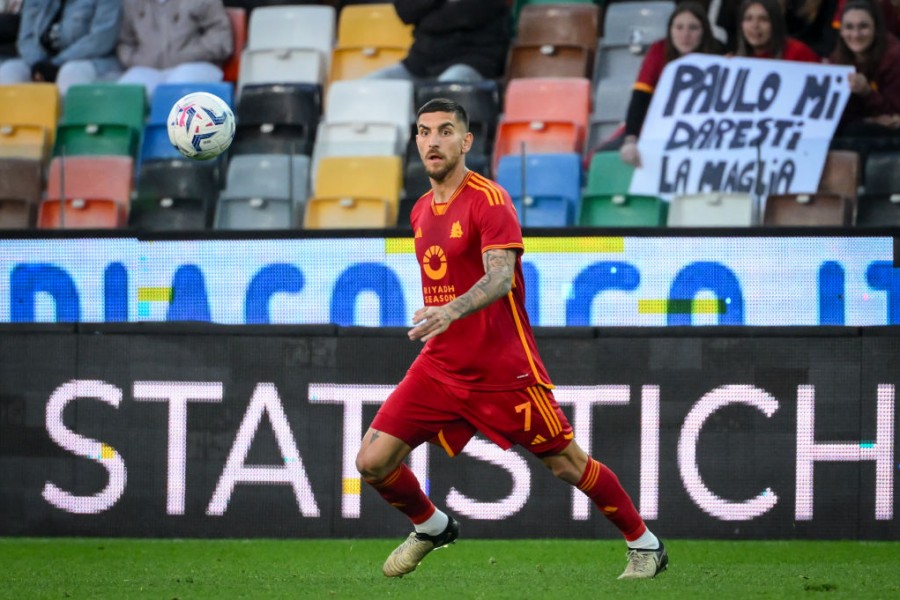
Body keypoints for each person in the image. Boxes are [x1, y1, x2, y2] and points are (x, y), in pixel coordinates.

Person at [354, 97, 668, 581]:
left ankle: (644, 544)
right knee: (372, 462)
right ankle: (432, 526)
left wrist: (450, 310)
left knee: (566, 464)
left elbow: (501, 278)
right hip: (440, 367)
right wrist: (445, 322)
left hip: (503, 370)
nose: (432, 141)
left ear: (466, 141)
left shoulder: (489, 199)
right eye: (423, 132)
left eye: (443, 131)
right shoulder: (419, 211)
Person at [620, 1, 720, 167]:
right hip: (657, 130)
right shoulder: (658, 50)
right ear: (670, 30)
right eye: (679, 28)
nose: (685, 35)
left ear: (704, 31)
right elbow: (640, 98)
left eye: (693, 28)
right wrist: (631, 139)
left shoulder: (718, 51)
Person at [365, 0, 509, 83]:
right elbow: (405, 11)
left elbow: (468, 15)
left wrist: (428, 13)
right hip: (419, 63)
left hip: (472, 60)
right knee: (367, 87)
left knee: (444, 94)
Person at [0, 0, 123, 95]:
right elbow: (26, 37)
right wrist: (38, 65)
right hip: (42, 60)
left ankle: (64, 126)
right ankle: (13, 126)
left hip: (92, 60)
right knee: (9, 71)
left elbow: (101, 40)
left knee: (70, 72)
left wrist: (56, 64)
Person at [116, 0, 232, 97]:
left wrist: (187, 54)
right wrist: (136, 60)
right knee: (124, 93)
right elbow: (126, 42)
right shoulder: (132, 3)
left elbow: (221, 37)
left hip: (197, 65)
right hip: (148, 68)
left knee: (174, 91)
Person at [830, 0, 900, 139]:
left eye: (863, 26)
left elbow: (894, 116)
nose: (856, 34)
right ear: (841, 31)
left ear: (876, 28)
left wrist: (867, 92)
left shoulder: (894, 56)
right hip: (859, 128)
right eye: (849, 27)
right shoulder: (837, 59)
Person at [735, 0, 822, 62]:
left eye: (763, 19)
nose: (755, 26)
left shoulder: (798, 52)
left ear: (776, 23)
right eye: (748, 19)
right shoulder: (737, 60)